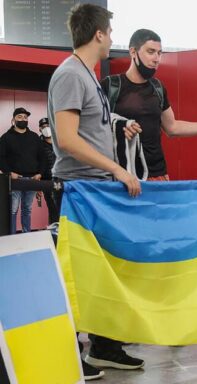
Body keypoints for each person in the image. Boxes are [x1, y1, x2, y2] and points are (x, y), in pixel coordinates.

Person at [48, 3, 143, 380]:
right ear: (99, 34)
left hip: (96, 189)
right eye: (110, 32)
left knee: (103, 273)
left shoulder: (86, 75)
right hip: (80, 190)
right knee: (76, 274)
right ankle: (68, 351)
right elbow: (68, 139)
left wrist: (119, 126)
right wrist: (118, 168)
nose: (113, 39)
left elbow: (87, 127)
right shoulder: (71, 74)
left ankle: (104, 347)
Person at [101, 29, 197, 181]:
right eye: (151, 52)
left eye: (159, 53)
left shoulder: (158, 87)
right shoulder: (111, 86)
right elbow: (94, 129)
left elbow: (172, 127)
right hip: (122, 175)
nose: (156, 58)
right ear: (133, 52)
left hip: (157, 175)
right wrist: (118, 128)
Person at [0, 107, 44, 234]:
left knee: (27, 209)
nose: (23, 119)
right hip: (14, 180)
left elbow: (42, 157)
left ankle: (26, 235)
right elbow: (1, 158)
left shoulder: (35, 137)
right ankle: (12, 236)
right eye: (20, 117)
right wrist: (9, 173)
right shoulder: (6, 138)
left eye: (25, 117)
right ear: (13, 120)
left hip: (32, 180)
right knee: (13, 210)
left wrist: (40, 173)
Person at [37, 117, 58, 224]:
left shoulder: (60, 141)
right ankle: (54, 232)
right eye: (43, 127)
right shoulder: (38, 144)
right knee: (52, 207)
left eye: (48, 126)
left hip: (61, 179)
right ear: (40, 129)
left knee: (63, 207)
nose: (46, 128)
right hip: (46, 180)